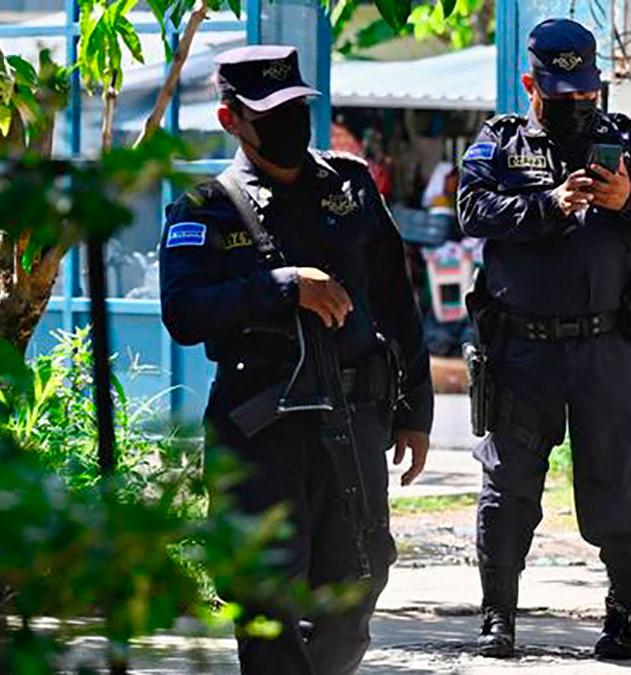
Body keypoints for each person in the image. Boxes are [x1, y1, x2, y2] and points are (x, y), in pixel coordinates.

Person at [158, 45, 433, 674]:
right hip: (260, 432)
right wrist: (283, 288)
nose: (289, 122)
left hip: (354, 419)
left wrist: (415, 408)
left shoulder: (350, 184)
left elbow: (396, 298)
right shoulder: (207, 207)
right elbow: (184, 312)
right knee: (265, 593)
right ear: (232, 120)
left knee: (359, 580)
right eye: (270, 112)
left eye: (295, 107)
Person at [456, 17, 631, 661]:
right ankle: (497, 616)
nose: (578, 106)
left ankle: (622, 612)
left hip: (609, 347)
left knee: (621, 487)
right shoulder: (501, 143)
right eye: (562, 97)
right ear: (531, 83)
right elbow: (471, 209)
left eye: (587, 94)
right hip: (522, 350)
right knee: (507, 489)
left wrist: (628, 200)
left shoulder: (626, 140)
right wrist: (548, 206)